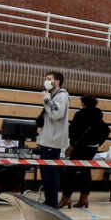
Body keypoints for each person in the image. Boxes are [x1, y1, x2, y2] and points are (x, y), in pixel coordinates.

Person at [60, 95, 110, 209]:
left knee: (70, 172)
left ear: (84, 103)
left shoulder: (80, 114)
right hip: (92, 148)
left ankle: (66, 198)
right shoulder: (98, 116)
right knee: (85, 172)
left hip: (79, 147)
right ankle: (84, 198)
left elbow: (73, 131)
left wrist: (71, 146)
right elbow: (107, 130)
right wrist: (98, 143)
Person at [37, 71, 69, 208]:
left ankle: (52, 201)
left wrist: (46, 100)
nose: (46, 81)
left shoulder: (62, 96)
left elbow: (57, 114)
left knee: (50, 172)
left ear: (57, 81)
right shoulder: (53, 95)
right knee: (45, 172)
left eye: (49, 79)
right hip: (46, 139)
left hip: (53, 140)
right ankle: (49, 200)